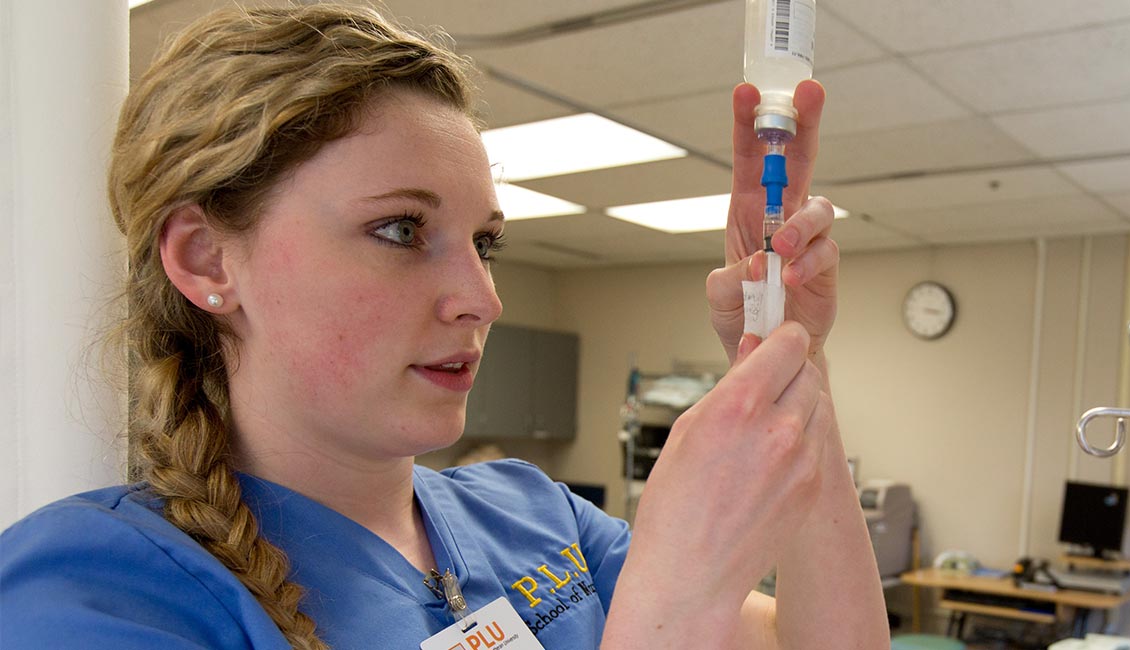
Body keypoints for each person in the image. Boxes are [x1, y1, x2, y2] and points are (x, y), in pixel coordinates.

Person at [0, 5, 888, 649]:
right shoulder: (96, 591)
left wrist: (792, 350)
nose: (482, 298)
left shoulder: (534, 516)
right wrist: (678, 595)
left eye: (486, 243)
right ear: (205, 260)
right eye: (400, 230)